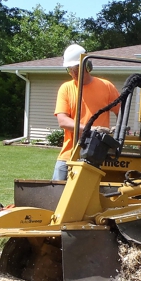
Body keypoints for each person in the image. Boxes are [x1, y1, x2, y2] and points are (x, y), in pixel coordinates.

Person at [52, 44, 120, 180]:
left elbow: (121, 113)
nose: (74, 73)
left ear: (87, 65)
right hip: (69, 154)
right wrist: (92, 130)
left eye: (77, 68)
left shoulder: (106, 86)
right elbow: (63, 121)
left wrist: (117, 131)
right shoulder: (66, 88)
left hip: (97, 154)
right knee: (55, 194)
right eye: (70, 69)